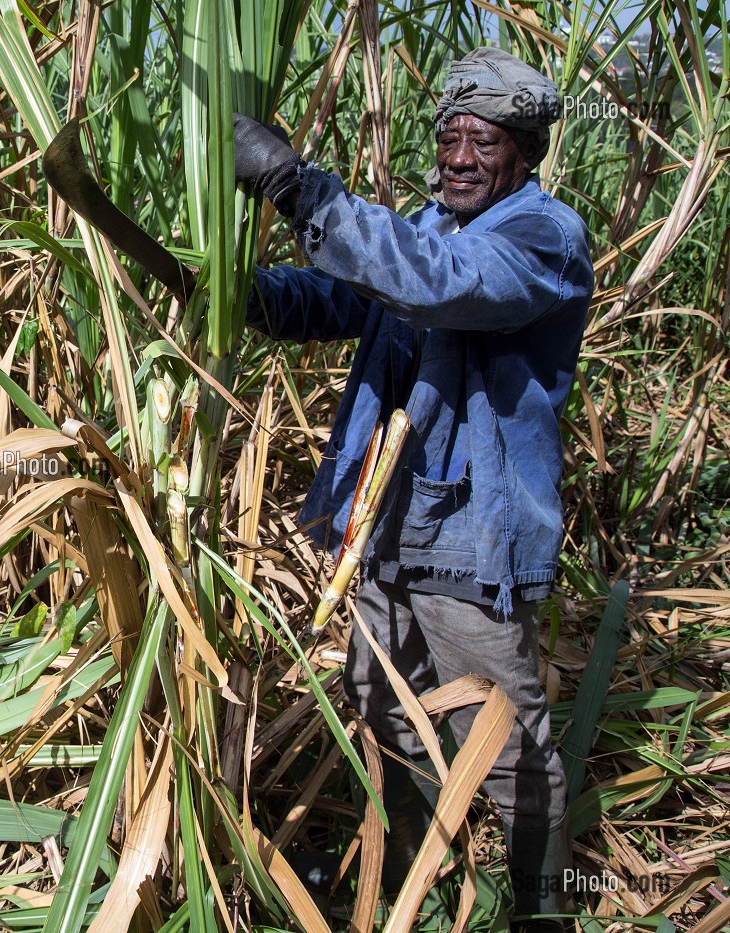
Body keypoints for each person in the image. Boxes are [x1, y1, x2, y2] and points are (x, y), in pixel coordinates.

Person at [233, 47, 591, 932]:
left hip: (469, 537)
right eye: (452, 137)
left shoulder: (541, 240)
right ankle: (403, 881)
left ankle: (543, 907)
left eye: (485, 141)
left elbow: (436, 286)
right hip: (383, 523)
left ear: (527, 153)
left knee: (504, 739)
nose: (461, 156)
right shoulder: (430, 228)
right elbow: (343, 294)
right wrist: (237, 294)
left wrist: (298, 188)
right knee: (386, 716)